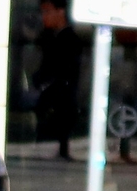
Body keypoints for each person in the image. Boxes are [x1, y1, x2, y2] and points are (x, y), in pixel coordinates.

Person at [33, 0, 85, 162]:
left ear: (60, 12)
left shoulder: (68, 40)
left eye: (47, 12)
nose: (44, 17)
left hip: (61, 93)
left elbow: (63, 69)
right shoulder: (49, 37)